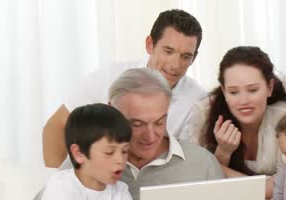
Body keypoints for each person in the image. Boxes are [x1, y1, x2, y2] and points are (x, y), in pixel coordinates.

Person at [0, 68, 225, 200]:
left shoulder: (122, 192)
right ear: (112, 114)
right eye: (136, 124)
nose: (150, 135)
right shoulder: (75, 171)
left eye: (159, 121)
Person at [42, 9, 207, 168]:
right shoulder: (108, 76)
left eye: (186, 56)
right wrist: (61, 183)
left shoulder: (198, 102)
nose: (175, 65)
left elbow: (187, 164)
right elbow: (57, 126)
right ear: (150, 45)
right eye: (168, 51)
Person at [20, 103, 140, 200]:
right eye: (109, 152)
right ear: (78, 153)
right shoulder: (62, 183)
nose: (120, 159)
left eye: (124, 151)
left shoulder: (120, 192)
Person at [180, 46, 286, 200]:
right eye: (233, 92)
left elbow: (285, 187)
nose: (243, 101)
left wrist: (216, 169)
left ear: (269, 87)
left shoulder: (285, 118)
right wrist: (223, 152)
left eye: (253, 90)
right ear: (224, 91)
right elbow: (196, 185)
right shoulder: (203, 114)